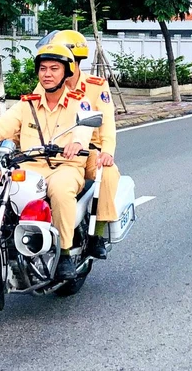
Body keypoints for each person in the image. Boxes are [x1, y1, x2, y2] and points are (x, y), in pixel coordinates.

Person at [0, 44, 93, 280]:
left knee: (60, 190)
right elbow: (1, 125)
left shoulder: (80, 102)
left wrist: (76, 144)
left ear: (67, 72)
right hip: (28, 166)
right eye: (43, 69)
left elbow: (84, 130)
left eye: (54, 69)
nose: (47, 74)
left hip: (65, 167)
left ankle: (65, 253)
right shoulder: (27, 105)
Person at [39, 30, 119, 259]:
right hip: (54, 152)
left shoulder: (96, 86)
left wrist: (107, 152)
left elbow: (107, 123)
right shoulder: (47, 84)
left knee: (109, 174)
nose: (53, 68)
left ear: (74, 62)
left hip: (89, 151)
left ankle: (97, 234)